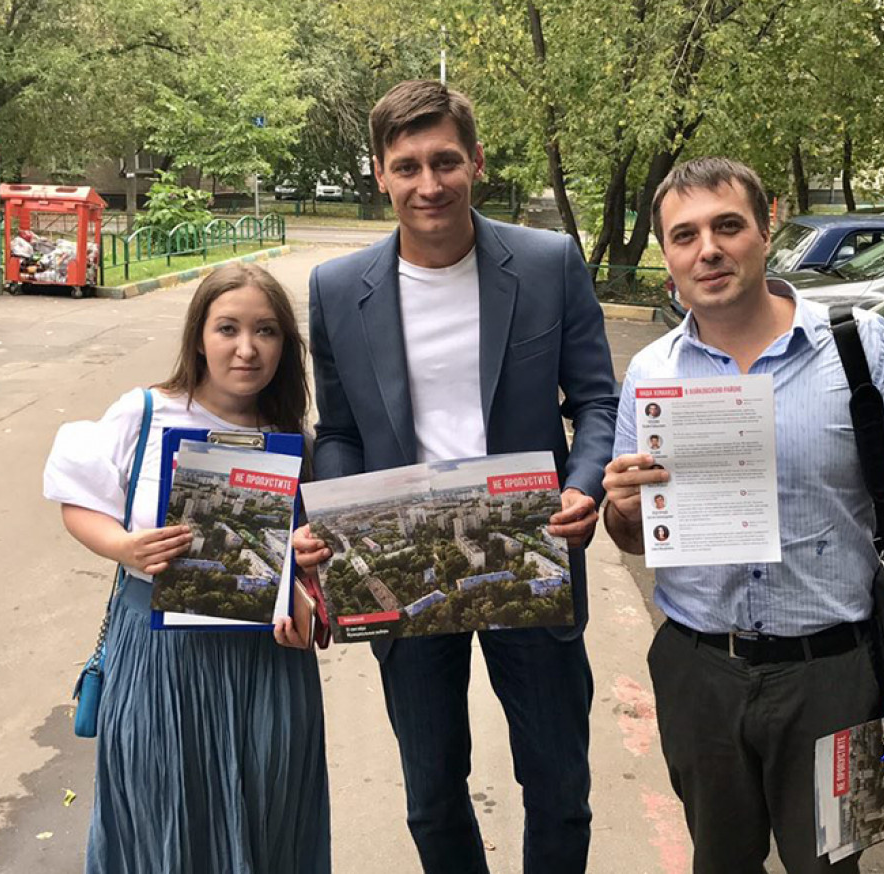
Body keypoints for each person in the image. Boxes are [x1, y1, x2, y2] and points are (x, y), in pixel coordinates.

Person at [292, 80, 618, 873]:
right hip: (401, 559)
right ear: (379, 173)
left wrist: (584, 482)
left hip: (524, 547)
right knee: (432, 793)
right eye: (407, 166)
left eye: (444, 161)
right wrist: (333, 518)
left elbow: (598, 401)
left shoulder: (546, 263)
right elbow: (337, 430)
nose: (427, 184)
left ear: (475, 160)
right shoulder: (338, 290)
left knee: (558, 786)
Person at [601, 158, 884, 874]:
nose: (708, 249)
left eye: (727, 226)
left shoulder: (862, 348)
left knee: (828, 865)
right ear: (666, 257)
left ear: (768, 225)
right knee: (719, 862)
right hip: (700, 671)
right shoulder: (651, 375)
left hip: (829, 675)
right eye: (684, 236)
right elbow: (635, 538)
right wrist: (623, 510)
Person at [43, 264, 330, 873]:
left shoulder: (295, 442)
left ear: (286, 344)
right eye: (228, 328)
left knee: (269, 818)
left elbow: (308, 561)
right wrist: (123, 547)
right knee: (158, 816)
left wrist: (308, 607)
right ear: (198, 335)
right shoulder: (145, 413)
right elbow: (78, 499)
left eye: (267, 331)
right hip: (158, 660)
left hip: (266, 668)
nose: (246, 348)